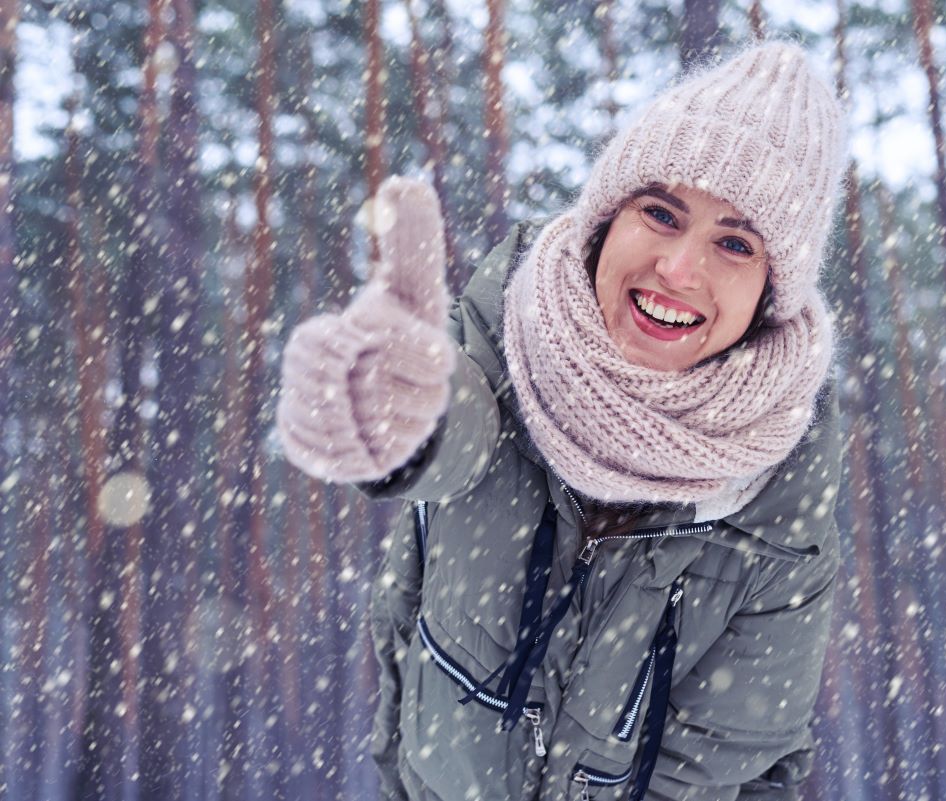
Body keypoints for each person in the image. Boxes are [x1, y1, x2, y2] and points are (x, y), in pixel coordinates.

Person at [276, 39, 848, 801]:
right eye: (661, 211)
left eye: (735, 242)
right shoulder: (503, 339)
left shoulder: (782, 507)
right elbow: (452, 428)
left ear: (768, 297)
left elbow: (731, 769)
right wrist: (379, 416)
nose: (679, 269)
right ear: (607, 218)